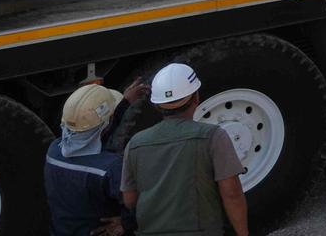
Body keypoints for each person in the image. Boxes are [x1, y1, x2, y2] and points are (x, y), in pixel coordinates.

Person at [120, 63, 248, 236]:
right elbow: (231, 193)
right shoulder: (213, 136)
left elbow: (129, 200)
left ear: (157, 105)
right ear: (196, 97)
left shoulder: (135, 143)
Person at [45, 78, 147, 236]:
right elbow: (139, 205)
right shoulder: (110, 168)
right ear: (106, 125)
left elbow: (92, 134)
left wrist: (124, 103)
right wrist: (125, 224)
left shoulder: (54, 151)